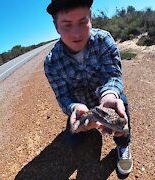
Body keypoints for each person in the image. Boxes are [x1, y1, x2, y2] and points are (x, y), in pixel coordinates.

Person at [44, 0, 133, 175]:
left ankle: (123, 145)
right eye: (67, 25)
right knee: (72, 141)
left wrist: (109, 96)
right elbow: (63, 96)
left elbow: (113, 76)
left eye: (83, 22)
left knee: (120, 105)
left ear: (91, 18)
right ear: (56, 27)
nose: (76, 33)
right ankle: (88, 127)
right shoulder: (51, 62)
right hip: (82, 109)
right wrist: (75, 108)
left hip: (105, 104)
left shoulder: (104, 40)